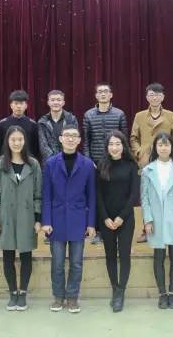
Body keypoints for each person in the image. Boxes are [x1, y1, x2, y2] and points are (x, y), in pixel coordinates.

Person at [42, 124, 96, 313]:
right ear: (60, 139)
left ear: (79, 140)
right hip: (56, 220)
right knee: (57, 263)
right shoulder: (51, 163)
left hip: (78, 220)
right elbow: (46, 195)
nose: (70, 139)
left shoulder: (87, 164)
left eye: (74, 136)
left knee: (76, 262)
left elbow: (91, 196)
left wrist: (91, 223)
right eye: (67, 135)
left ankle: (72, 297)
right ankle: (58, 297)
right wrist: (46, 221)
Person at [0, 126, 42, 311]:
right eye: (13, 140)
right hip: (6, 217)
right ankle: (13, 293)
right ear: (7, 142)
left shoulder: (33, 164)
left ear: (24, 141)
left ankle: (23, 293)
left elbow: (38, 194)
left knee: (26, 255)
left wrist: (38, 219)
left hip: (27, 217)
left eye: (20, 139)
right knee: (8, 256)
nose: (17, 143)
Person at [141, 132, 173, 310]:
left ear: (172, 147)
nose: (164, 148)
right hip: (156, 219)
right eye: (160, 145)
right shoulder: (148, 170)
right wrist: (148, 220)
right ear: (155, 147)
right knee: (159, 256)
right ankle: (162, 294)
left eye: (167, 144)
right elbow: (144, 198)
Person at [131, 82, 173, 243]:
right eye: (151, 95)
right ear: (147, 97)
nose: (154, 98)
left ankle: (165, 228)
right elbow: (133, 138)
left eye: (158, 95)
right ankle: (146, 229)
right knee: (146, 196)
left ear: (163, 97)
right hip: (146, 161)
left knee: (165, 194)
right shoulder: (139, 116)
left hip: (165, 159)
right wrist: (139, 151)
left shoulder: (170, 116)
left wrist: (171, 152)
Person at [96, 130, 139, 312]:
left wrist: (121, 217)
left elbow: (134, 194)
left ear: (123, 146)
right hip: (106, 219)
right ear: (107, 147)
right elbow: (98, 195)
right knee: (110, 255)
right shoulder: (101, 165)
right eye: (111, 144)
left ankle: (121, 291)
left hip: (125, 218)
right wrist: (105, 217)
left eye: (117, 144)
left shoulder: (131, 165)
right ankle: (115, 289)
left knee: (124, 254)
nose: (114, 147)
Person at [83, 82, 127, 244]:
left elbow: (124, 139)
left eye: (105, 91)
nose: (102, 94)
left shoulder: (119, 114)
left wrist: (121, 160)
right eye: (100, 91)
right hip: (95, 163)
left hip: (114, 161)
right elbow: (86, 141)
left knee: (112, 195)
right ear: (96, 95)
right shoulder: (88, 115)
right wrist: (89, 161)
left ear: (111, 95)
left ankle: (114, 229)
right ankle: (97, 230)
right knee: (96, 196)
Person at [0, 90, 39, 160]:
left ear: (26, 106)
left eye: (21, 103)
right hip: (7, 160)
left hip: (27, 160)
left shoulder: (33, 124)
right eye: (16, 103)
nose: (18, 106)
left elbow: (35, 147)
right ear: (11, 105)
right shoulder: (2, 124)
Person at [38, 89, 78, 161]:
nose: (55, 102)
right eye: (52, 100)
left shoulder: (71, 119)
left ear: (63, 103)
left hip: (68, 159)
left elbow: (73, 140)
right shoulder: (42, 122)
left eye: (59, 100)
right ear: (48, 102)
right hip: (49, 161)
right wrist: (54, 160)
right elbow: (43, 145)